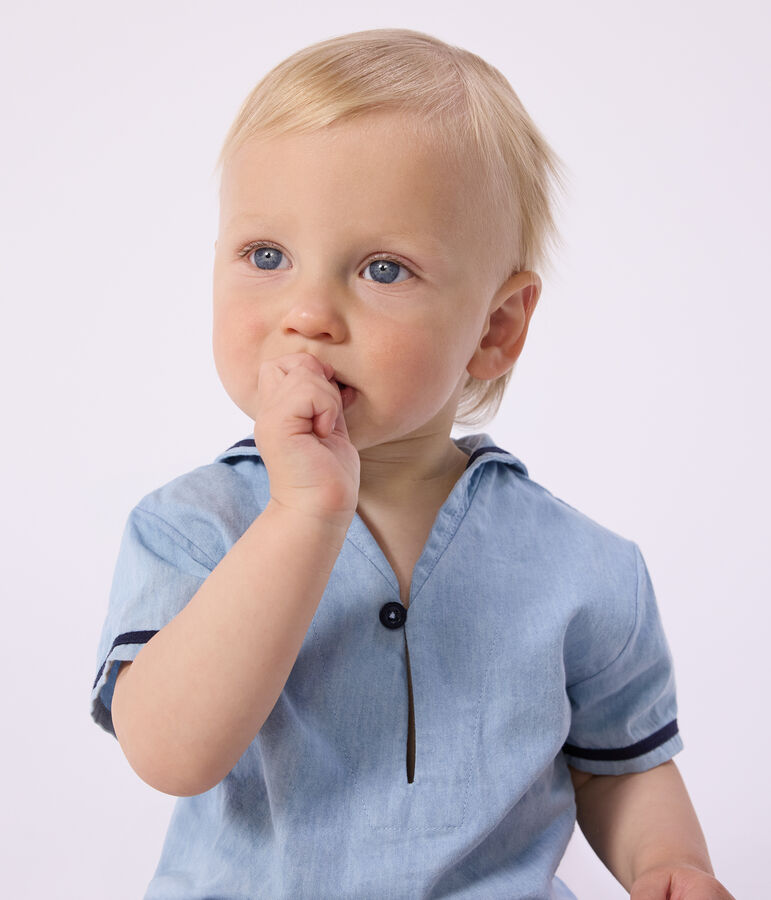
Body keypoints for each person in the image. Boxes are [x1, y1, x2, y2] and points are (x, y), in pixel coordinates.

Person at [90, 27, 735, 900]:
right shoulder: (195, 526)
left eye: (382, 269)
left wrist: (668, 865)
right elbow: (170, 753)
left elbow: (616, 766)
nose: (308, 313)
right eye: (265, 256)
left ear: (495, 328)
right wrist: (301, 516)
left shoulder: (583, 567)